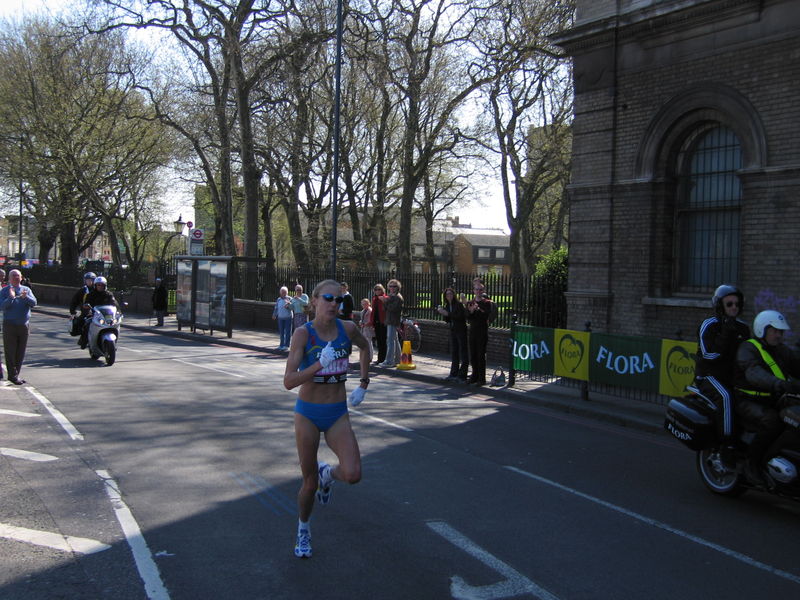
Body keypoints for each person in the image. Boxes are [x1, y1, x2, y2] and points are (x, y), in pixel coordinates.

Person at [283, 279, 372, 558]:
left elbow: (365, 347)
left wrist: (363, 383)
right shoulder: (302, 334)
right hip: (308, 413)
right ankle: (303, 529)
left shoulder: (347, 329)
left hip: (337, 414)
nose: (334, 304)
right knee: (308, 484)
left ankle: (328, 475)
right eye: (328, 298)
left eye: (339, 299)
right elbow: (288, 381)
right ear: (315, 301)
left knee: (353, 474)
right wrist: (320, 363)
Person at [734, 310, 800, 484]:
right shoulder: (748, 348)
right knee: (773, 421)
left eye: (781, 332)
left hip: (774, 400)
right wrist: (778, 384)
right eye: (775, 331)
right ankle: (751, 464)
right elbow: (754, 372)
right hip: (748, 401)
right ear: (762, 329)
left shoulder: (782, 350)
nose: (779, 335)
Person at [693, 284, 750, 446]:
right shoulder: (709, 325)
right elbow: (709, 355)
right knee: (725, 397)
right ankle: (727, 444)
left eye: (737, 304)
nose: (734, 307)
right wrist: (725, 331)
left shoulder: (743, 327)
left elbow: (746, 355)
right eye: (729, 304)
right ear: (719, 305)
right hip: (708, 376)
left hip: (732, 376)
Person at [0, 269, 37, 385]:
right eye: (14, 276)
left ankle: (16, 374)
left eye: (18, 276)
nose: (16, 278)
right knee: (10, 351)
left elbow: (34, 303)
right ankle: (13, 375)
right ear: (9, 278)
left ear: (21, 278)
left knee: (20, 351)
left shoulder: (26, 290)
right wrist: (10, 297)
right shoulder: (5, 291)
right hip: (9, 325)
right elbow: (1, 306)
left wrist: (26, 297)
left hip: (23, 325)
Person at [436, 287, 468, 383]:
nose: (449, 296)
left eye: (450, 294)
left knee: (463, 352)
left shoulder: (458, 305)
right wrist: (443, 313)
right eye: (447, 294)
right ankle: (453, 373)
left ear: (454, 295)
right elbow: (448, 319)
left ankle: (462, 375)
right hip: (453, 330)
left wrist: (448, 313)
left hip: (461, 330)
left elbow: (460, 317)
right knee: (454, 352)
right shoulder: (447, 305)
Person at [78, 276, 118, 349]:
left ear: (105, 285)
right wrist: (87, 307)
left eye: (101, 285)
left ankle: (113, 342)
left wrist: (117, 309)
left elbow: (114, 303)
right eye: (98, 285)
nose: (100, 286)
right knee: (87, 324)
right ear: (95, 285)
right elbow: (86, 303)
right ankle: (83, 340)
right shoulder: (91, 294)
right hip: (94, 314)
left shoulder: (109, 294)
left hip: (106, 315)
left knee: (115, 324)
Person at [466, 278, 493, 387]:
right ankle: (474, 376)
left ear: (483, 291)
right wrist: (471, 311)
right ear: (473, 290)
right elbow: (468, 317)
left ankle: (482, 378)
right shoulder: (470, 302)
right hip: (473, 331)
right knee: (473, 355)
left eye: (480, 290)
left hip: (482, 331)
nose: (478, 291)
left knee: (481, 355)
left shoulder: (487, 303)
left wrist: (478, 309)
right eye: (476, 289)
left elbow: (486, 315)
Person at [379, 279, 403, 368]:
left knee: (390, 341)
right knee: (395, 340)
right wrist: (385, 301)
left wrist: (385, 301)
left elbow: (393, 309)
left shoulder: (398, 297)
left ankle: (389, 361)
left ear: (398, 287)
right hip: (389, 320)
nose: (392, 288)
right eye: (390, 286)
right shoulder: (390, 296)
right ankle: (398, 359)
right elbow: (385, 309)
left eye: (394, 286)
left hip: (394, 320)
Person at [371, 283, 388, 364]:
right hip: (376, 322)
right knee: (378, 341)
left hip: (383, 322)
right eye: (376, 289)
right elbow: (373, 312)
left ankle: (383, 359)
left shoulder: (385, 298)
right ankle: (379, 359)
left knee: (383, 341)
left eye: (379, 289)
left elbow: (387, 310)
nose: (377, 291)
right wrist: (372, 322)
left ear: (382, 290)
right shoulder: (375, 299)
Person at [273, 286, 293, 351]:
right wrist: (274, 314)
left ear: (287, 293)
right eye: (282, 292)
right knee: (281, 332)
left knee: (287, 331)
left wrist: (288, 305)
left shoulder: (289, 298)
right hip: (280, 318)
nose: (283, 294)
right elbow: (276, 308)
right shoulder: (278, 299)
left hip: (288, 317)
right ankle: (281, 345)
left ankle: (286, 345)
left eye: (284, 292)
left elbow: (293, 307)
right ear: (280, 293)